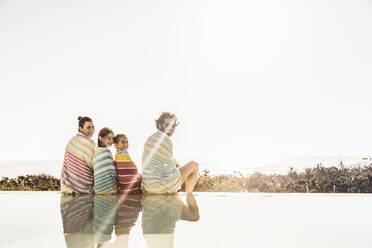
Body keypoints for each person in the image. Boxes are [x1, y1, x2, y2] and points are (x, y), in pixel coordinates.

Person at [141, 112, 199, 194]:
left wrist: (179, 167)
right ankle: (189, 195)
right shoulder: (166, 140)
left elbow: (164, 161)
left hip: (149, 187)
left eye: (173, 126)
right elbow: (170, 170)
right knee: (194, 165)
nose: (171, 128)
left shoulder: (150, 139)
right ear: (159, 125)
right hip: (162, 187)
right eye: (167, 125)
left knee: (178, 166)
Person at [61, 116, 95, 194]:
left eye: (93, 127)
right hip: (85, 186)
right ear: (80, 128)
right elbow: (95, 165)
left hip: (69, 186)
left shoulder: (71, 141)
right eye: (88, 127)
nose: (92, 130)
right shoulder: (91, 143)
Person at [93, 127, 117, 194]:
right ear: (100, 138)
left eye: (113, 139)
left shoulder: (96, 152)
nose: (111, 141)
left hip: (98, 189)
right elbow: (112, 172)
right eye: (109, 138)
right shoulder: (106, 151)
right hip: (109, 189)